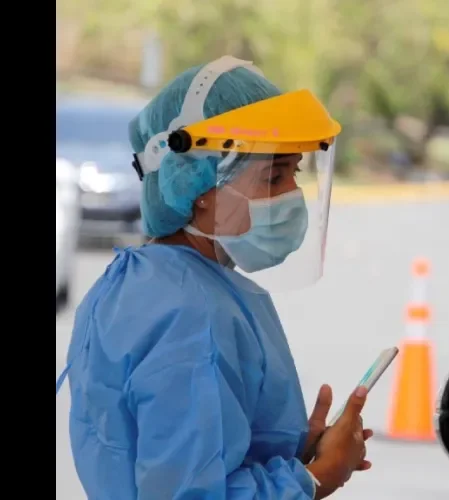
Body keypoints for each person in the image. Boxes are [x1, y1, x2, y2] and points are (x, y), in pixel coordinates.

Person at [55, 56, 369, 499]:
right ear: (197, 186)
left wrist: (296, 456)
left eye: (294, 173)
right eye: (273, 175)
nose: (291, 195)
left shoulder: (145, 282)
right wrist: (317, 478)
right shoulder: (190, 314)